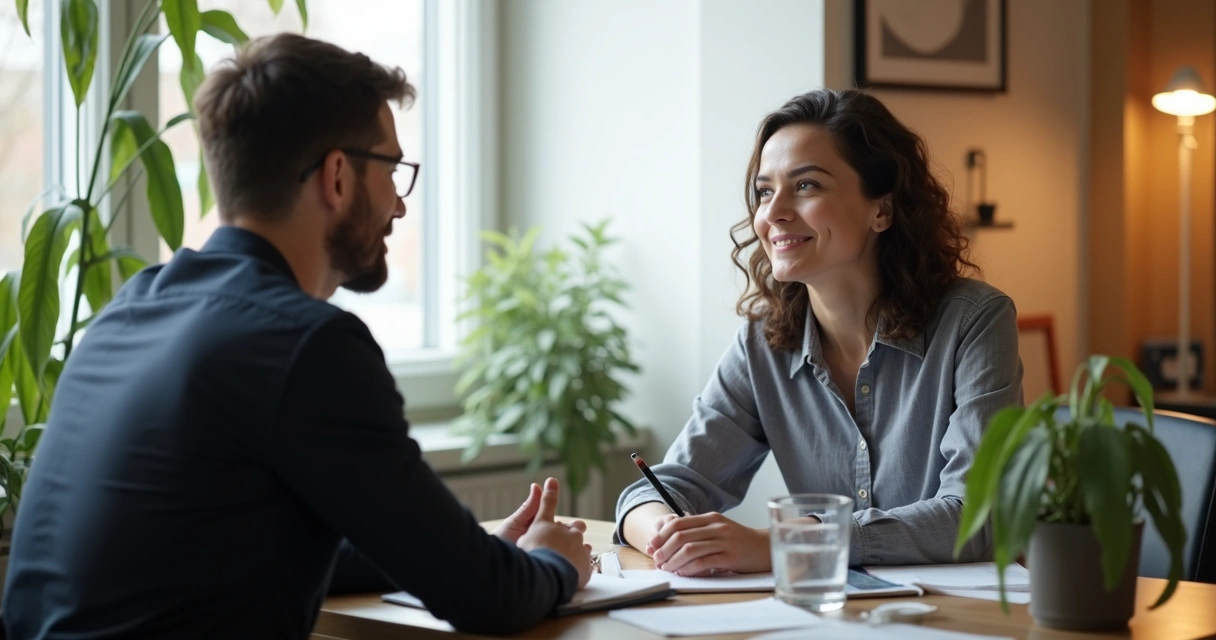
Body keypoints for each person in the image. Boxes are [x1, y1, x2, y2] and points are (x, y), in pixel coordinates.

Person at [3, 34, 591, 639]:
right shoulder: (307, 347)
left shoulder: (134, 309)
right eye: (393, 169)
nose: (400, 206)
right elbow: (487, 598)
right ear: (337, 176)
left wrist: (471, 547)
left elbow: (232, 548)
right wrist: (554, 564)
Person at [616, 88, 1021, 576]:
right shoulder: (762, 344)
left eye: (806, 186)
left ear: (882, 210)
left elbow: (979, 515)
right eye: (765, 191)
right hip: (823, 616)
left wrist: (786, 543)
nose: (773, 213)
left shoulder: (975, 321)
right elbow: (657, 489)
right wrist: (671, 534)